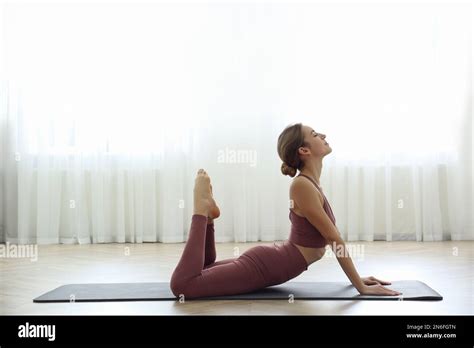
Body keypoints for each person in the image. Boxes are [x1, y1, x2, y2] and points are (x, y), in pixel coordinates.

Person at [170, 123, 402, 299]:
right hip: (266, 267)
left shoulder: (310, 184)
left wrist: (356, 280)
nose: (323, 135)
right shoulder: (302, 185)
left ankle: (208, 217)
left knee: (203, 270)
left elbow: (333, 238)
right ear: (304, 150)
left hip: (269, 261)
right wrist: (359, 286)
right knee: (183, 286)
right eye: (315, 135)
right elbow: (333, 238)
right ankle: (200, 210)